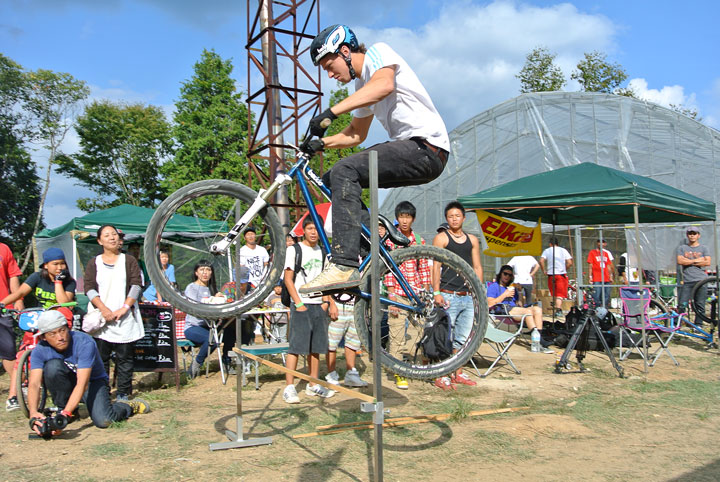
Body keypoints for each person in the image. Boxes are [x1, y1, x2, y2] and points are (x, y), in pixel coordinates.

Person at [299, 24, 449, 295]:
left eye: (329, 65)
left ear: (345, 51)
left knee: (346, 169)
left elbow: (384, 85)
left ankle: (344, 264)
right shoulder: (361, 85)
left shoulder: (378, 55)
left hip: (427, 147)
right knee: (333, 178)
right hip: (412, 151)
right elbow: (356, 134)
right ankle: (370, 242)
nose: (330, 74)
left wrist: (331, 112)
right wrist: (321, 143)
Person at [27, 310, 150, 434]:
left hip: (92, 382)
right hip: (69, 380)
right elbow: (34, 384)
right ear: (43, 337)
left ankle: (127, 406)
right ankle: (66, 409)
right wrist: (33, 412)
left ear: (68, 328)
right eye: (52, 334)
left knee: (104, 420)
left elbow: (82, 384)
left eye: (62, 330)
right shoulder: (40, 350)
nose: (60, 338)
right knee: (52, 367)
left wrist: (65, 414)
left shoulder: (84, 342)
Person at [1, 248, 75, 411]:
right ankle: (13, 397)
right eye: (55, 264)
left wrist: (58, 282)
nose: (60, 267)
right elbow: (20, 292)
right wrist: (3, 304)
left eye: (62, 263)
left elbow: (63, 302)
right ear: (45, 266)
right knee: (22, 354)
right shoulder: (36, 278)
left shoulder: (69, 282)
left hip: (59, 322)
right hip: (40, 320)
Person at [83, 225, 145, 401]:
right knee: (101, 359)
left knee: (124, 358)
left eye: (114, 235)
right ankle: (102, 391)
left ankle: (124, 393)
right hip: (101, 319)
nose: (112, 238)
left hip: (124, 317)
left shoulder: (129, 260)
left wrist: (124, 308)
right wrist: (103, 309)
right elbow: (89, 287)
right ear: (99, 241)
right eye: (107, 235)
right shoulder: (93, 262)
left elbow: (136, 285)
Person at [282, 217, 337, 403]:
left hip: (318, 304)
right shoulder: (294, 250)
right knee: (296, 346)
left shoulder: (323, 252)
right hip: (301, 303)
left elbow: (326, 280)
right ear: (304, 230)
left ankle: (313, 383)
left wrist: (326, 302)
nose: (313, 232)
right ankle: (289, 387)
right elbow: (288, 278)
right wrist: (298, 303)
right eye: (310, 228)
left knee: (316, 346)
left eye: (317, 229)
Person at [432, 201, 483, 390]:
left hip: (468, 295)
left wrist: (478, 292)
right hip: (448, 294)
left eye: (457, 215)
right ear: (447, 218)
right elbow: (436, 265)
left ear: (463, 217)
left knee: (463, 337)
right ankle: (442, 375)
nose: (454, 219)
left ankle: (457, 372)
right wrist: (436, 291)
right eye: (450, 216)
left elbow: (477, 266)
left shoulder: (473, 240)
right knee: (445, 336)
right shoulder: (441, 238)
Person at [383, 201, 430, 390]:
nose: (404, 220)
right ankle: (399, 372)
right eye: (401, 216)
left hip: (416, 294)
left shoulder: (418, 240)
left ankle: (412, 367)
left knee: (419, 333)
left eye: (408, 217)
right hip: (398, 294)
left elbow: (424, 267)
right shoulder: (389, 239)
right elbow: (386, 269)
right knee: (396, 335)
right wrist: (391, 296)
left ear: (413, 219)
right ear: (397, 217)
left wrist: (426, 293)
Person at [183, 261, 236, 378]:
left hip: (211, 325)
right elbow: (194, 308)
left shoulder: (212, 288)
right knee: (212, 340)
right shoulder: (191, 287)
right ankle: (196, 365)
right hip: (193, 327)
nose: (205, 273)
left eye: (208, 270)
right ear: (196, 272)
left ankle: (227, 359)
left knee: (231, 329)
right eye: (202, 270)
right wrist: (213, 299)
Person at [487, 266, 553, 354]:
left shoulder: (512, 287)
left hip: (516, 309)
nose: (507, 276)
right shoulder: (493, 286)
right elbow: (490, 304)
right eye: (505, 274)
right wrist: (505, 295)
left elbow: (520, 304)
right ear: (500, 274)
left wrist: (520, 291)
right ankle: (539, 342)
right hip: (503, 310)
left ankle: (538, 338)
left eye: (510, 275)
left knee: (537, 309)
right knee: (527, 312)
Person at [325, 299, 368, 388]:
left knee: (353, 341)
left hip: (356, 305)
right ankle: (331, 375)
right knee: (332, 343)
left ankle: (351, 374)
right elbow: (329, 286)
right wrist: (332, 304)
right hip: (338, 304)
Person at [677, 227, 711, 322]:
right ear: (687, 235)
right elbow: (680, 261)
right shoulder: (682, 248)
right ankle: (677, 323)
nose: (692, 235)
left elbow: (707, 262)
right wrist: (697, 260)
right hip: (688, 280)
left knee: (699, 304)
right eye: (690, 233)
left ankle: (698, 324)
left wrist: (688, 261)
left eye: (694, 233)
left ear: (698, 235)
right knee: (682, 304)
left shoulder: (704, 248)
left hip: (701, 280)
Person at [539, 237, 573, 317]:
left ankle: (557, 309)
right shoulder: (563, 250)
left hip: (551, 275)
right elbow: (569, 262)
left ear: (550, 244)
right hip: (561, 274)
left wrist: (544, 270)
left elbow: (541, 261)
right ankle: (558, 310)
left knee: (554, 293)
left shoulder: (547, 251)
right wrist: (565, 268)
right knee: (560, 294)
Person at [239, 227, 269, 295]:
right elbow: (242, 268)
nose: (250, 236)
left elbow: (266, 264)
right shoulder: (242, 251)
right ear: (245, 238)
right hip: (249, 283)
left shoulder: (262, 250)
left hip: (261, 282)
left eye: (252, 234)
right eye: (248, 235)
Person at [587, 239, 615, 308]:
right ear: (597, 243)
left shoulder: (606, 253)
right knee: (597, 294)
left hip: (606, 278)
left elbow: (608, 265)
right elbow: (590, 265)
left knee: (606, 295)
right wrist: (590, 276)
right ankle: (597, 308)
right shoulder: (592, 252)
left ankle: (604, 308)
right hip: (597, 278)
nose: (601, 244)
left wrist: (611, 276)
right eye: (599, 242)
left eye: (603, 242)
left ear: (605, 244)